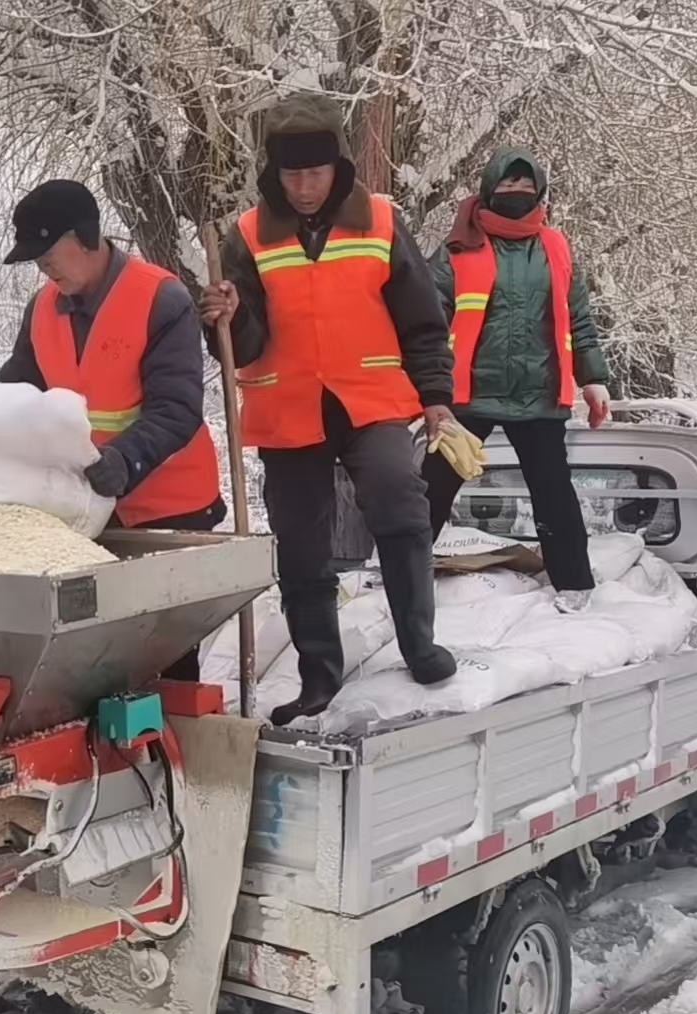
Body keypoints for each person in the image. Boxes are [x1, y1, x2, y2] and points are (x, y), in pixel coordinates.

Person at [199, 94, 458, 726]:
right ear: (275, 174)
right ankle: (318, 675)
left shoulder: (380, 221)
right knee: (301, 540)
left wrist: (436, 399)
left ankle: (420, 646)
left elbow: (422, 320)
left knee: (399, 500)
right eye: (291, 175)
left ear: (337, 168)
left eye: (314, 173)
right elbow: (243, 345)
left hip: (370, 398)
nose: (304, 187)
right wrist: (226, 316)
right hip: (289, 404)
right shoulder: (248, 235)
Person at [0, 179, 224, 680]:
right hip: (88, 511)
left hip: (168, 510)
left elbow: (176, 409)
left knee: (165, 659)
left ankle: (173, 729)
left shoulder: (160, 298)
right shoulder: (41, 310)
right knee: (97, 660)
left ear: (84, 237)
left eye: (47, 253)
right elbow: (15, 395)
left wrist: (123, 459)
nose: (43, 267)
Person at [422, 148, 612, 604]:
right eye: (508, 185)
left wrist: (593, 377)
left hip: (538, 393)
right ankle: (396, 572)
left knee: (553, 492)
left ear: (540, 193)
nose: (517, 193)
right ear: (489, 190)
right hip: (468, 393)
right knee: (430, 488)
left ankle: (574, 585)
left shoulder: (555, 248)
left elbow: (578, 319)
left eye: (526, 187)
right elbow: (426, 322)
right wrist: (427, 387)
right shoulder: (457, 249)